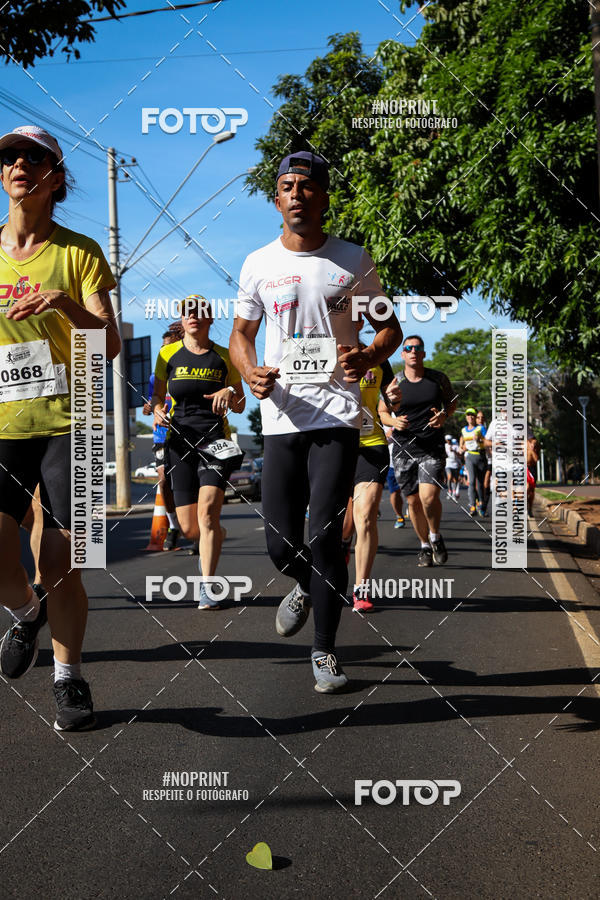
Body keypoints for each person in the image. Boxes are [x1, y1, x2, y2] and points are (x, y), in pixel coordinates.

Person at [230, 150, 402, 692]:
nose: (297, 194)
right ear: (276, 200)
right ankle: (307, 584)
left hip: (338, 415)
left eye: (307, 186)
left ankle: (325, 651)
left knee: (325, 533)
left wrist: (368, 356)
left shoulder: (353, 259)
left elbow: (390, 330)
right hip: (281, 416)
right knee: (280, 545)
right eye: (287, 186)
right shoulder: (257, 263)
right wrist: (249, 371)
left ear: (324, 197)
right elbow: (240, 335)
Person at [0, 125, 121, 730]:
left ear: (55, 177)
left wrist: (61, 303)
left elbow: (109, 345)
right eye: (10, 158)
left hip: (75, 421)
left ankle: (68, 678)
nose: (20, 164)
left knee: (63, 559)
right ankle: (27, 612)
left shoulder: (80, 253)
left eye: (34, 157)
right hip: (4, 422)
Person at [152, 295, 245, 608]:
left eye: (199, 311)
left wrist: (229, 391)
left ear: (210, 318)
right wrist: (158, 410)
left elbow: (241, 404)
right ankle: (215, 532)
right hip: (179, 443)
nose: (193, 316)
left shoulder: (224, 356)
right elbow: (157, 397)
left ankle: (207, 587)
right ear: (182, 319)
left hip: (215, 442)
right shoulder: (167, 354)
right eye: (187, 312)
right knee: (191, 528)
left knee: (207, 513)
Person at [379, 336, 456, 567]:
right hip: (404, 450)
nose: (413, 351)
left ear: (423, 353)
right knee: (413, 502)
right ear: (403, 354)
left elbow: (451, 402)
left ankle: (435, 536)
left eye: (417, 348)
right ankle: (424, 545)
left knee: (428, 498)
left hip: (432, 447)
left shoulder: (438, 379)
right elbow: (382, 412)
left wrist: (444, 415)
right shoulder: (395, 382)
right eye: (408, 348)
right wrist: (393, 422)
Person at [341, 351, 394, 612]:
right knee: (343, 526)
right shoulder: (323, 351)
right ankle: (343, 545)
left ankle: (361, 588)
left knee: (365, 516)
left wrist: (395, 399)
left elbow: (392, 401)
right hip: (334, 446)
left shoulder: (377, 357)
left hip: (371, 444)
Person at [143, 326, 183, 551]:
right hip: (162, 435)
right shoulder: (155, 377)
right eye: (162, 349)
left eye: (170, 348)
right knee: (164, 480)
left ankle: (198, 531)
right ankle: (174, 526)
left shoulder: (188, 371)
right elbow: (154, 401)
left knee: (191, 484)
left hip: (187, 433)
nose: (165, 353)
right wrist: (150, 408)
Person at [460, 407, 487, 516]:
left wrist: (480, 439)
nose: (470, 417)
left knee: (480, 483)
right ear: (466, 417)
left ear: (475, 417)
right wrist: (462, 447)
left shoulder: (480, 428)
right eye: (468, 415)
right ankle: (472, 505)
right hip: (470, 457)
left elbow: (488, 442)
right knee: (471, 482)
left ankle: (481, 503)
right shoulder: (463, 430)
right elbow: (463, 441)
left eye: (472, 415)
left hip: (480, 456)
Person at [384, 426, 405, 527]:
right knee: (395, 492)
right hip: (392, 464)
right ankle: (399, 516)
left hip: (410, 460)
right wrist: (388, 435)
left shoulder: (407, 417)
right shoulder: (382, 421)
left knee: (414, 494)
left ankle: (415, 509)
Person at [477, 409, 492, 514]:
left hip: (489, 459)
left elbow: (488, 442)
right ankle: (477, 503)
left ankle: (483, 506)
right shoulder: (470, 430)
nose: (480, 419)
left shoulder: (486, 429)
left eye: (482, 417)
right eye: (478, 417)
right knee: (477, 483)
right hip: (476, 458)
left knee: (486, 484)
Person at [444, 434, 461, 500]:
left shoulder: (456, 445)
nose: (449, 441)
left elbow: (459, 455)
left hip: (455, 464)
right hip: (448, 463)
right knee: (449, 477)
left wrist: (453, 451)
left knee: (455, 479)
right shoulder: (445, 446)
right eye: (447, 440)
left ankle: (454, 492)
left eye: (449, 440)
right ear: (446, 440)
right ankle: (449, 491)